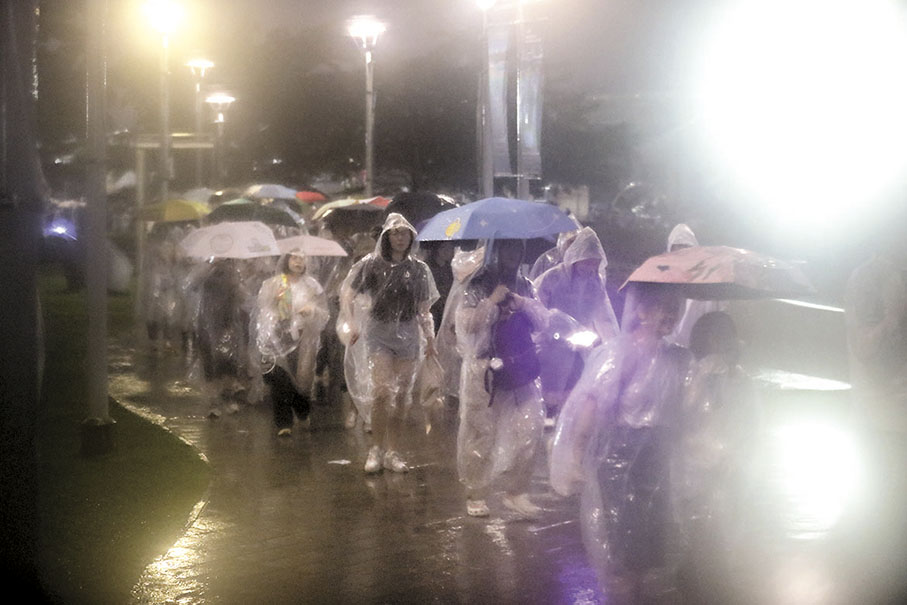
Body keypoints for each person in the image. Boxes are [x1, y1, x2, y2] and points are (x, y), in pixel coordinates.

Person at [552, 282, 689, 599]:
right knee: (623, 546)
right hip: (622, 457)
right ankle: (623, 595)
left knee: (648, 546)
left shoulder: (676, 358)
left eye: (675, 306)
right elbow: (592, 403)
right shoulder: (621, 354)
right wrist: (576, 453)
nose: (671, 313)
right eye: (662, 306)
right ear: (641, 310)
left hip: (656, 455)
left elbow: (684, 412)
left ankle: (634, 594)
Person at [455, 238, 549, 518]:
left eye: (516, 249)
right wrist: (492, 302)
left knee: (529, 430)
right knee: (481, 435)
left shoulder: (525, 284)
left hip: (520, 367)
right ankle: (476, 492)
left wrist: (522, 305)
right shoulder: (475, 285)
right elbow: (467, 326)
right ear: (495, 251)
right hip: (484, 370)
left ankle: (516, 493)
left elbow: (543, 322)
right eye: (506, 248)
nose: (511, 254)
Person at [339, 213, 438, 473]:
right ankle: (376, 448)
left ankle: (393, 451)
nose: (400, 238)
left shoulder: (418, 269)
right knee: (382, 391)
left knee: (402, 395)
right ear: (386, 236)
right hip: (379, 332)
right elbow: (348, 292)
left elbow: (424, 309)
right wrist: (351, 321)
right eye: (395, 233)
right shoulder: (372, 265)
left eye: (405, 233)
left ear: (411, 237)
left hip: (407, 333)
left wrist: (430, 338)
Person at [675, 311, 760, 603]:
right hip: (694, 470)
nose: (717, 346)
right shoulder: (690, 373)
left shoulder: (741, 379)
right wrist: (700, 379)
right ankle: (697, 585)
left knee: (722, 534)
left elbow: (752, 423)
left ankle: (714, 586)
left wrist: (738, 456)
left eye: (722, 338)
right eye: (712, 338)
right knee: (696, 536)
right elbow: (682, 418)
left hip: (728, 468)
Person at [533, 227, 619, 415]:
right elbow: (535, 308)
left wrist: (614, 348)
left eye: (594, 264)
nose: (590, 269)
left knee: (573, 397)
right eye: (586, 263)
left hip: (579, 349)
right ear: (576, 258)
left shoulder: (595, 283)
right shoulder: (552, 278)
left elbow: (604, 316)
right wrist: (547, 329)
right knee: (545, 395)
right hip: (550, 347)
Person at [256, 249, 329, 436]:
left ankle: (302, 410)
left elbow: (324, 312)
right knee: (279, 376)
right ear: (286, 259)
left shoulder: (312, 286)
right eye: (294, 257)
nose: (298, 262)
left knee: (303, 379)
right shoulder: (275, 283)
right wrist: (275, 307)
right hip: (279, 336)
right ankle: (283, 423)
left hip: (304, 338)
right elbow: (263, 308)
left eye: (302, 259)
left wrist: (311, 310)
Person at [664, 223, 725, 347]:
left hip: (697, 352)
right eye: (677, 252)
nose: (682, 257)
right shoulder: (664, 284)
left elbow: (715, 319)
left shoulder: (709, 286)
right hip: (667, 352)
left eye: (687, 251)